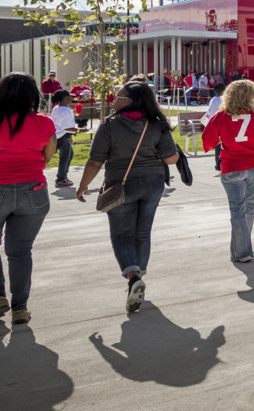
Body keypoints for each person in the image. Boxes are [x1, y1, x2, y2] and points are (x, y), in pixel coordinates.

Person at [74, 82, 182, 313]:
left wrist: (83, 186)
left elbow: (95, 161)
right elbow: (171, 159)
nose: (114, 99)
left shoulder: (110, 125)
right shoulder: (157, 124)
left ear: (131, 101)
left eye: (119, 97)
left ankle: (134, 279)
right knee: (142, 233)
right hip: (153, 184)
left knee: (122, 236)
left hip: (120, 184)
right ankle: (139, 278)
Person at [0, 72, 56, 324]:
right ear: (34, 96)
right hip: (34, 191)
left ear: (0, 94)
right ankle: (20, 307)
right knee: (20, 251)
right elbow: (47, 158)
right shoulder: (45, 123)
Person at [202, 79, 254, 264]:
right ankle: (244, 246)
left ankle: (241, 251)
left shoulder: (220, 116)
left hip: (232, 168)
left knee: (237, 210)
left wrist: (222, 139)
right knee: (249, 207)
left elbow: (207, 141)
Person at [50, 90, 81, 187]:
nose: (71, 98)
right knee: (65, 157)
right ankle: (61, 178)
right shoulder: (66, 111)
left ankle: (63, 176)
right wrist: (80, 130)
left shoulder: (56, 108)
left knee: (69, 155)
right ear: (64, 98)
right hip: (64, 136)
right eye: (69, 96)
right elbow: (66, 127)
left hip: (56, 136)